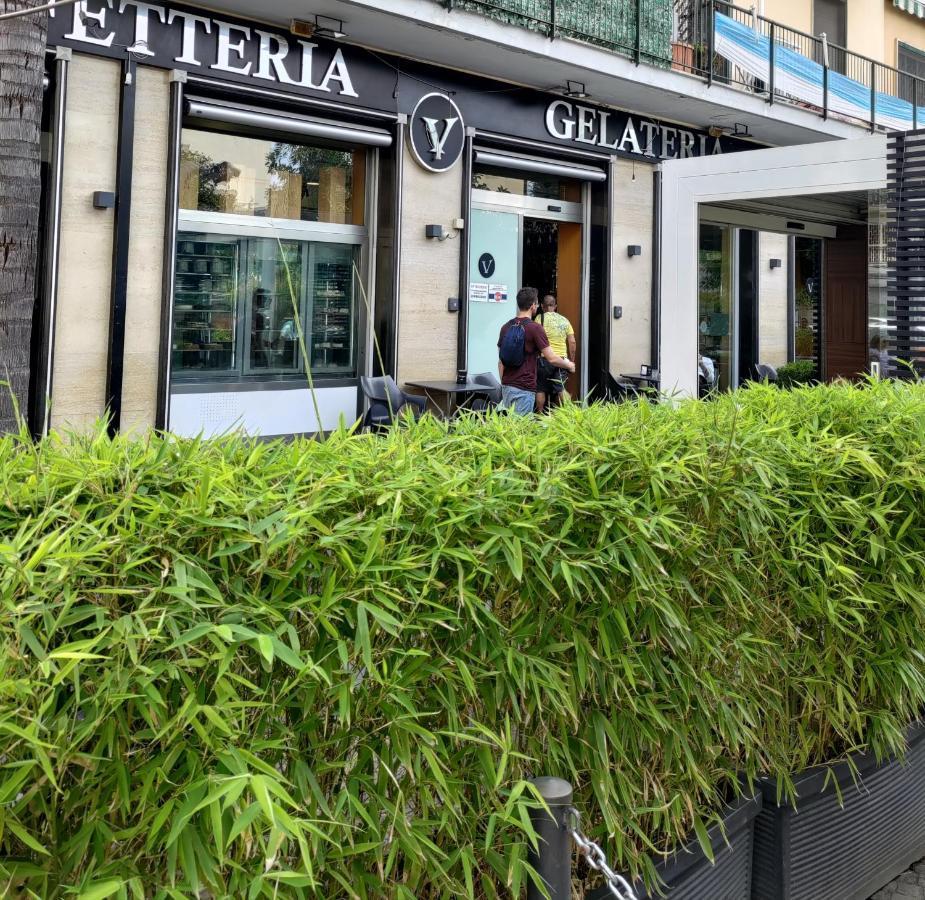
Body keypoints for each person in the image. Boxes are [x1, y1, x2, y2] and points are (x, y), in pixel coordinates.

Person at [497, 287, 574, 415]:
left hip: (507, 387)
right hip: (524, 388)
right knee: (521, 430)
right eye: (536, 304)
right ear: (533, 305)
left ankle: (539, 413)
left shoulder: (505, 327)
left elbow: (501, 362)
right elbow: (552, 358)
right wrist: (569, 364)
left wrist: (504, 384)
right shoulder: (535, 328)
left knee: (509, 429)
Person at [534, 294, 576, 413]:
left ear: (542, 306)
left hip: (544, 359)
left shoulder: (539, 318)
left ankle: (540, 415)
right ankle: (569, 413)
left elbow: (535, 339)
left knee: (540, 389)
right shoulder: (564, 320)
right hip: (561, 360)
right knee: (560, 388)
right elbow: (572, 342)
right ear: (555, 306)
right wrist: (571, 360)